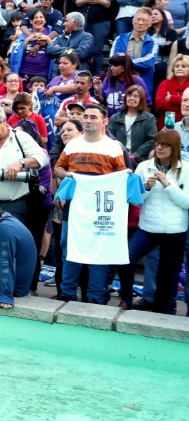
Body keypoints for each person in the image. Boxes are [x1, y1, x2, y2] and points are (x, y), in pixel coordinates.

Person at [53, 104, 128, 305]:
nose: (87, 120)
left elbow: (121, 177)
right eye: (85, 117)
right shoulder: (72, 145)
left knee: (99, 252)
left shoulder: (113, 147)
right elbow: (58, 168)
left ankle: (96, 298)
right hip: (73, 206)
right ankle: (67, 295)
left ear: (105, 121)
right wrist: (67, 174)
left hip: (99, 209)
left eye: (93, 117)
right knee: (69, 249)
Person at [116, 130, 189, 314]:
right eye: (157, 144)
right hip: (148, 227)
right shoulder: (143, 167)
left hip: (175, 230)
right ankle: (126, 299)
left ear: (175, 147)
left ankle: (164, 309)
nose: (159, 148)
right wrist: (146, 188)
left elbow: (187, 202)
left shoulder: (186, 169)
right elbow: (135, 200)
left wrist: (168, 185)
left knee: (167, 273)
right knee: (126, 258)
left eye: (165, 145)